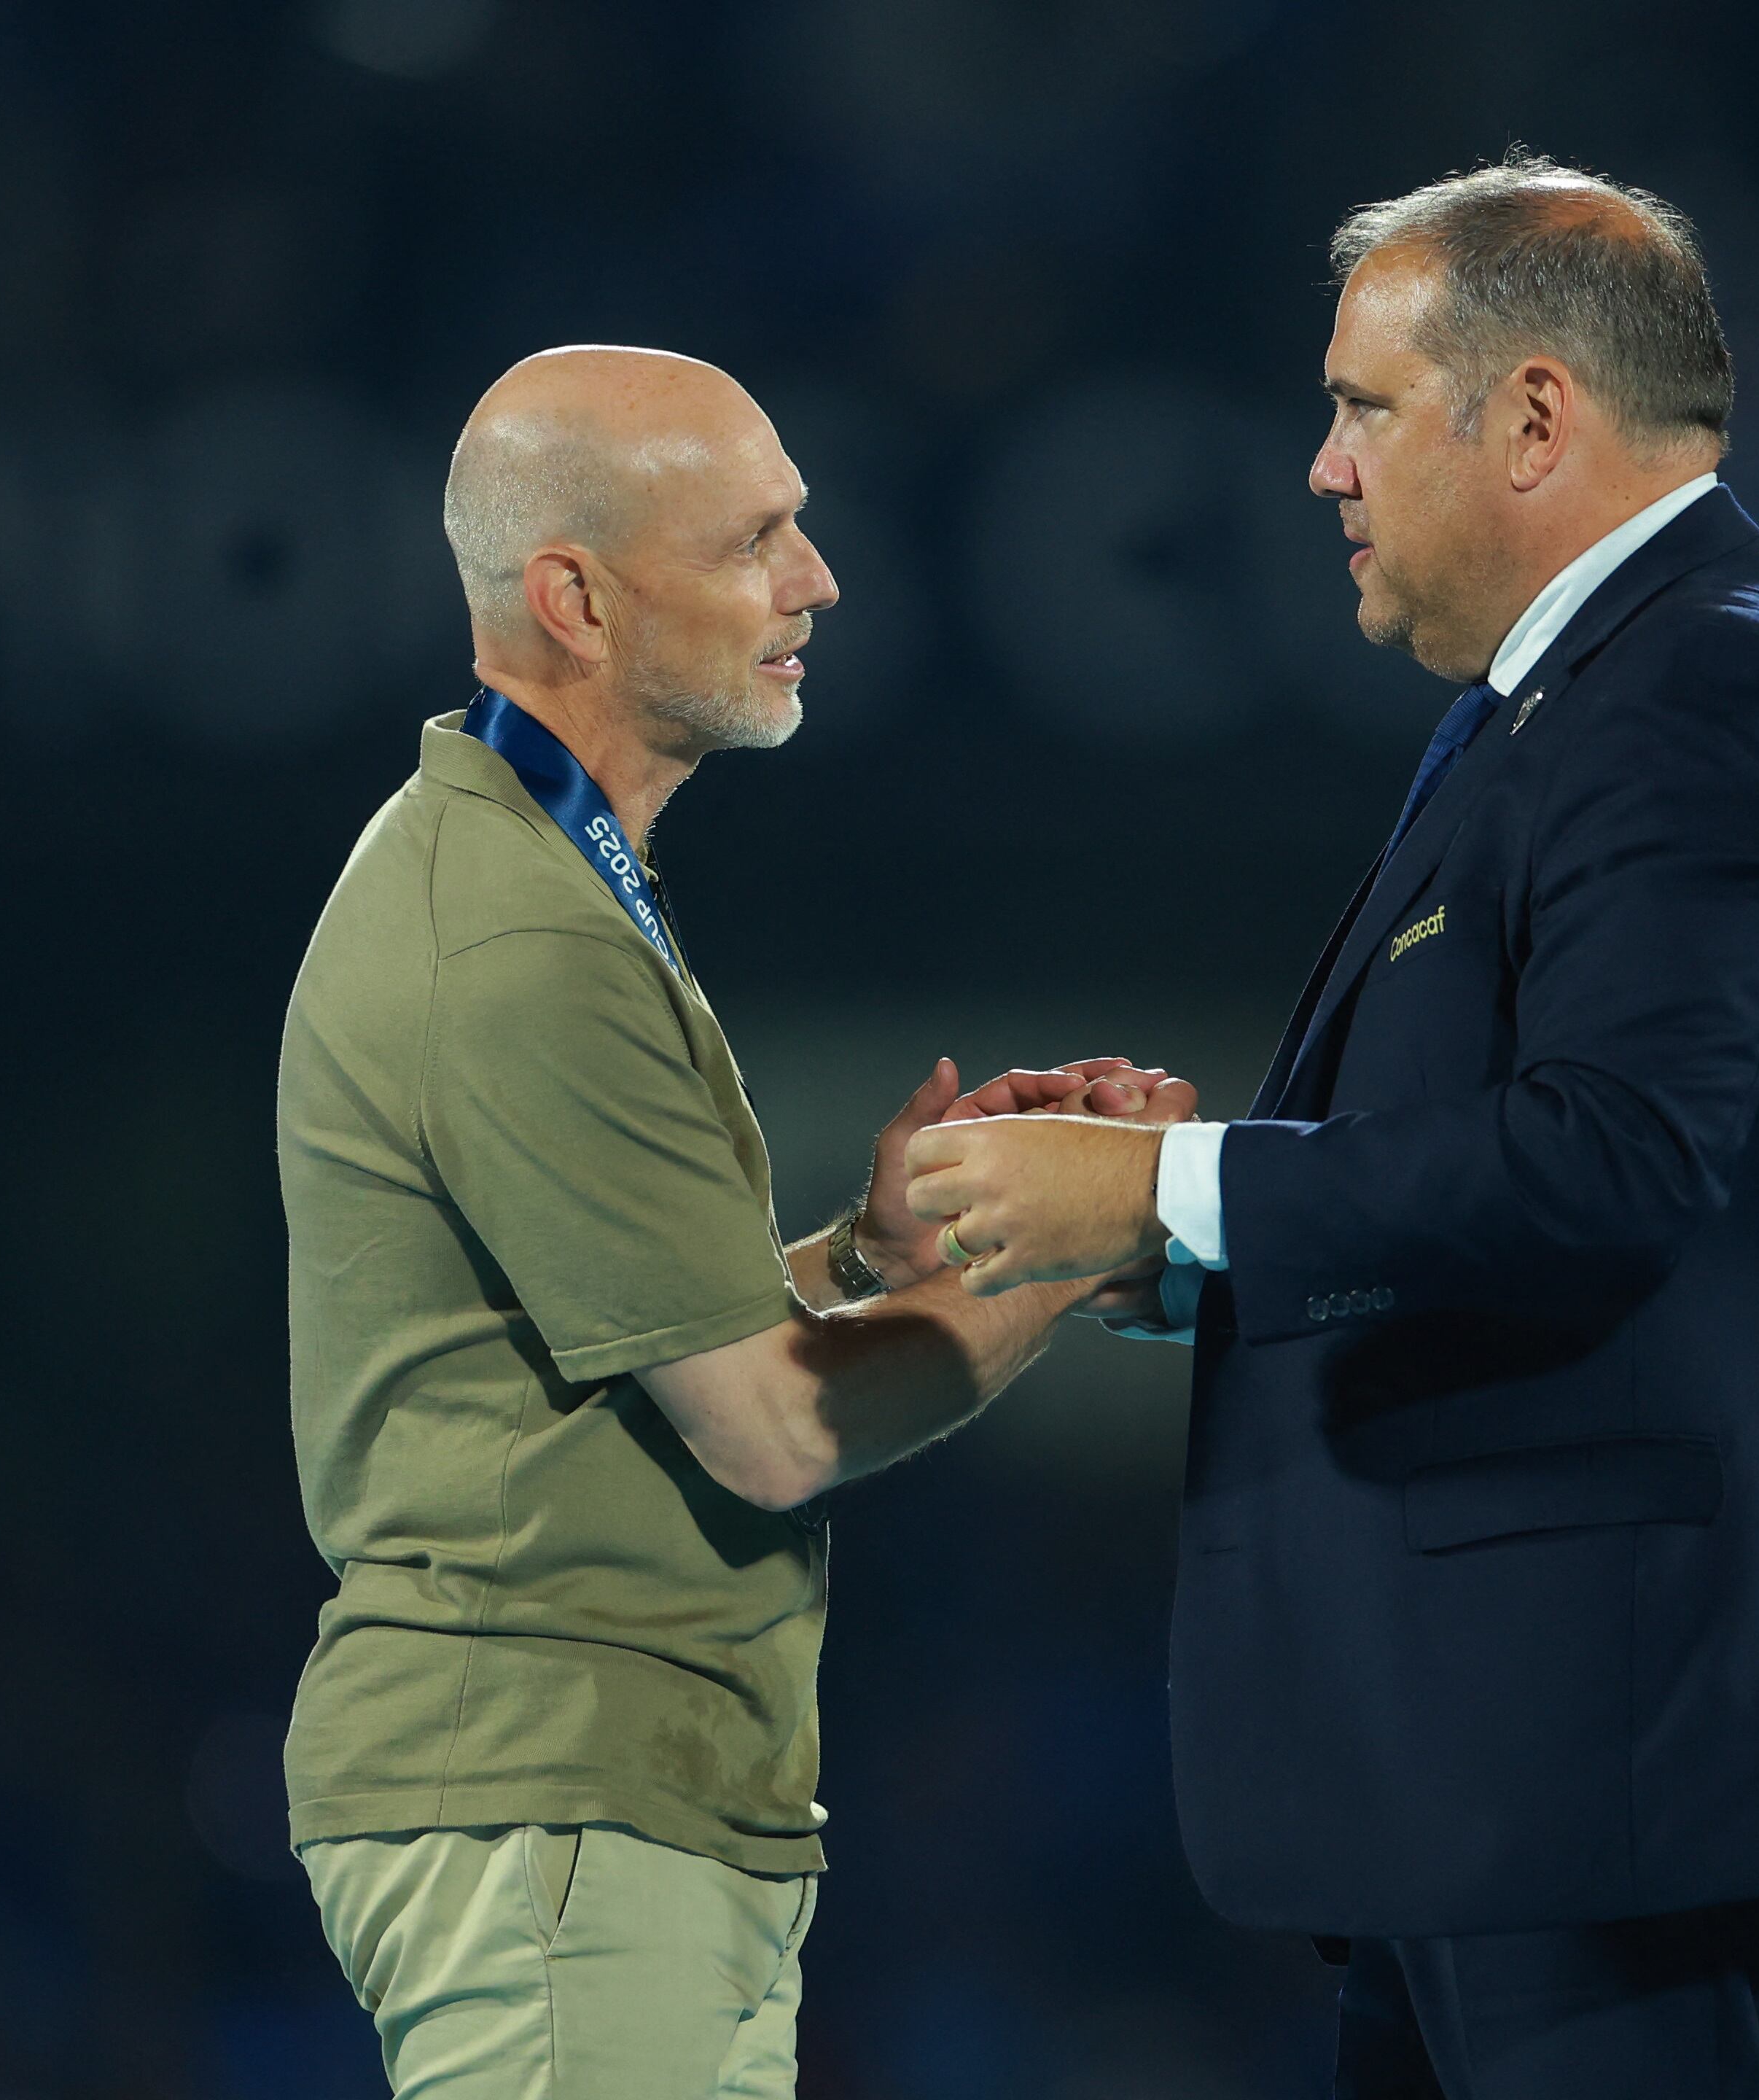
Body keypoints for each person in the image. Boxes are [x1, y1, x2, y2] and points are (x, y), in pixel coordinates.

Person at [904, 155, 1759, 2099]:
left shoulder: (1707, 682)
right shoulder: (1572, 706)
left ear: (1528, 417)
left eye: (1357, 405)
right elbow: (1532, 1186)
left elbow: (1610, 1163)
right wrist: (1180, 1244)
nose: (1321, 468)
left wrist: (1177, 1177)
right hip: (1519, 1789)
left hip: (1640, 1780)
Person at [276, 344, 1186, 2098]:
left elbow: (606, 1344)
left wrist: (868, 1257)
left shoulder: (516, 881)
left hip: (596, 1800)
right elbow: (771, 1433)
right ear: (579, 600)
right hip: (556, 1798)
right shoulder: (524, 938)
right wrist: (1080, 1243)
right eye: (755, 539)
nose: (817, 580)